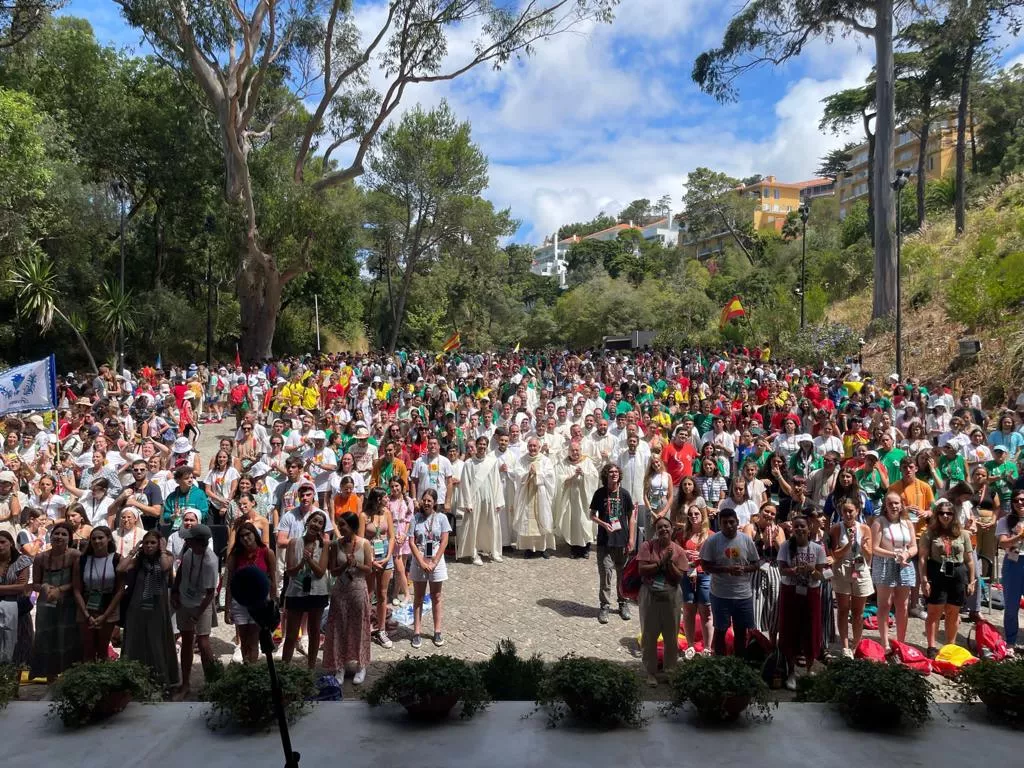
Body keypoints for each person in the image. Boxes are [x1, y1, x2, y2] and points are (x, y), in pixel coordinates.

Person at [118, 530, 179, 687]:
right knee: (135, 639)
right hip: (137, 606)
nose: (149, 546)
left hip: (157, 606)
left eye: (153, 542)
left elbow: (165, 566)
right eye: (146, 543)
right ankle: (133, 676)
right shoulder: (138, 560)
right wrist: (133, 551)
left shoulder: (167, 556)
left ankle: (159, 678)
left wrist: (163, 550)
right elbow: (120, 569)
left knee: (156, 640)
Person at [776, 514, 829, 689]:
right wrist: (795, 570)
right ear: (792, 528)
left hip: (811, 593)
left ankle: (808, 668)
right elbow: (782, 571)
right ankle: (790, 671)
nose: (799, 529)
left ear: (809, 528)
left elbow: (820, 575)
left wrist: (811, 570)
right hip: (790, 592)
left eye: (802, 526)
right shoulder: (785, 547)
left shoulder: (818, 548)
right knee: (790, 629)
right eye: (796, 526)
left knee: (811, 629)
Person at [919, 498, 976, 658]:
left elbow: (969, 560)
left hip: (958, 574)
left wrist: (971, 581)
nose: (945, 516)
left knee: (953, 612)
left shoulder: (963, 533)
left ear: (954, 515)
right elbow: (923, 558)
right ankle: (931, 647)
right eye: (942, 513)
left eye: (949, 513)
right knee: (934, 612)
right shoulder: (929, 533)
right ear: (936, 515)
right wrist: (924, 580)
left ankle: (950, 646)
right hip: (937, 572)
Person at [699, 507, 759, 656]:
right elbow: (705, 565)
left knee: (741, 631)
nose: (729, 525)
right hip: (720, 594)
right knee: (720, 631)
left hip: (743, 594)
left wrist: (744, 569)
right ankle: (720, 664)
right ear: (719, 524)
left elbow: (756, 564)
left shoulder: (746, 540)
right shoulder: (712, 541)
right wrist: (726, 569)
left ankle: (739, 665)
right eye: (724, 523)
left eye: (732, 522)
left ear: (737, 522)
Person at [636, 516, 689, 686]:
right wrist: (660, 564)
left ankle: (670, 671)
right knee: (649, 635)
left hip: (671, 597)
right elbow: (642, 570)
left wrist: (669, 563)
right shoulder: (647, 546)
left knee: (671, 636)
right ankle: (650, 673)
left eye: (666, 526)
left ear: (672, 529)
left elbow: (679, 577)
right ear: (656, 531)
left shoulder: (679, 551)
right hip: (649, 596)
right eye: (660, 528)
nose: (663, 530)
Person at [323, 510, 372, 683]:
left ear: (352, 526)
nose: (340, 527)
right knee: (339, 628)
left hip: (358, 589)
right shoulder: (336, 545)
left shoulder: (365, 543)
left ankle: (361, 665)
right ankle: (340, 666)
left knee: (359, 627)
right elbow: (332, 570)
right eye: (339, 524)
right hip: (341, 590)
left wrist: (356, 564)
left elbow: (369, 568)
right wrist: (344, 566)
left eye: (343, 524)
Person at [170, 523, 218, 700]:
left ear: (199, 542)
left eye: (190, 539)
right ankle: (186, 684)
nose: (186, 542)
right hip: (184, 600)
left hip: (201, 603)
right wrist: (175, 591)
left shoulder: (210, 561)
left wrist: (198, 614)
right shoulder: (189, 552)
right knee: (187, 640)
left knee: (204, 642)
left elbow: (210, 593)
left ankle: (213, 683)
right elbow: (182, 570)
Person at [29, 522, 80, 681]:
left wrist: (61, 590)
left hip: (68, 604)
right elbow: (35, 584)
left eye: (64, 534)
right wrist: (44, 587)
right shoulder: (40, 557)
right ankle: (51, 680)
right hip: (46, 605)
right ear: (50, 536)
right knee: (47, 639)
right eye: (56, 533)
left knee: (68, 638)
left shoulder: (75, 555)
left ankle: (69, 680)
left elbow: (78, 582)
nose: (59, 537)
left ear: (69, 538)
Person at [223, 520, 277, 664]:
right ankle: (246, 667)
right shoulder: (235, 556)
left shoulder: (267, 552)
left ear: (255, 534)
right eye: (241, 536)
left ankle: (251, 669)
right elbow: (229, 584)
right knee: (243, 639)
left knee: (254, 639)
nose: (245, 539)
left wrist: (274, 602)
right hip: (239, 602)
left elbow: (273, 579)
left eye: (248, 534)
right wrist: (227, 608)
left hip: (259, 602)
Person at [282, 510, 329, 669]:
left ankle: (311, 667)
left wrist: (309, 561)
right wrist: (302, 563)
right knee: (291, 633)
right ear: (308, 522)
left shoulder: (324, 545)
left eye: (320, 523)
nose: (316, 524)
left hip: (317, 592)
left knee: (315, 630)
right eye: (314, 521)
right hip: (296, 592)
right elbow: (290, 571)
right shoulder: (294, 543)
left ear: (322, 528)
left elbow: (321, 572)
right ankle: (284, 667)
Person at [590, 464, 636, 624]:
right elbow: (592, 515)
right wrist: (604, 524)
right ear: (606, 475)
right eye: (611, 472)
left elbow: (631, 518)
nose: (614, 474)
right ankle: (604, 606)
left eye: (616, 472)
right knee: (606, 575)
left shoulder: (624, 494)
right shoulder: (600, 493)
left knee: (622, 576)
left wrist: (631, 539)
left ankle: (623, 603)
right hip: (604, 542)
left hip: (622, 541)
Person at [870, 493, 918, 649]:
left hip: (904, 564)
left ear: (902, 505)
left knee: (903, 605)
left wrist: (906, 554)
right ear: (885, 505)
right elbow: (874, 548)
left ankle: (901, 642)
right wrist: (894, 554)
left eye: (896, 503)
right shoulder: (879, 522)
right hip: (885, 563)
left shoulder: (907, 523)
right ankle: (884, 642)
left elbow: (914, 546)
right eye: (890, 503)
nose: (894, 506)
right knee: (885, 604)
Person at [407, 489, 451, 648]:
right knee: (418, 597)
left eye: (429, 501)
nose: (426, 503)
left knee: (436, 595)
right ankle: (417, 631)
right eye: (424, 500)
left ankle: (437, 630)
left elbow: (444, 541)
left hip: (436, 562)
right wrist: (421, 562)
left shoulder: (442, 518)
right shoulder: (415, 519)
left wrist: (434, 561)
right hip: (419, 560)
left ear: (434, 502)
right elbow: (411, 542)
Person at [830, 499, 874, 657]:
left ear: (857, 511)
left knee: (858, 611)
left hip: (860, 569)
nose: (848, 514)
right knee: (843, 609)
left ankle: (856, 644)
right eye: (845, 511)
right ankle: (845, 645)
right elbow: (835, 554)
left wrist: (862, 546)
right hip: (842, 569)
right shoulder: (836, 529)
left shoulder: (865, 528)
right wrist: (849, 543)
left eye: (851, 511)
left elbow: (869, 555)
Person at [72, 525, 123, 662]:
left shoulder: (117, 559)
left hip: (108, 605)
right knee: (88, 650)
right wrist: (86, 615)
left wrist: (105, 615)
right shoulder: (82, 560)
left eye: (101, 538)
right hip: (86, 605)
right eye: (93, 538)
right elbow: (77, 589)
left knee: (103, 650)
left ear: (109, 539)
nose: (97, 541)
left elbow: (120, 590)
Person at [453, 436, 503, 565]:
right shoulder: (469, 463)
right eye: (480, 444)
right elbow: (465, 484)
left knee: (491, 525)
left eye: (484, 444)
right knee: (474, 526)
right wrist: (467, 503)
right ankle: (474, 553)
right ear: (476, 446)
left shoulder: (492, 462)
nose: (482, 447)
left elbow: (497, 482)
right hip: (474, 499)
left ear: (487, 446)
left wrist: (498, 501)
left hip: (489, 498)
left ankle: (493, 551)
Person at [743, 501, 785, 638]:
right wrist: (763, 543)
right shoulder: (750, 528)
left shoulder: (779, 530)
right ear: (760, 512)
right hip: (756, 570)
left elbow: (784, 555)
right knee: (755, 606)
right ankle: (753, 642)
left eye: (772, 513)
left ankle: (773, 646)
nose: (769, 515)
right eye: (766, 511)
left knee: (774, 607)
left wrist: (776, 542)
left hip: (774, 569)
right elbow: (747, 553)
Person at [512, 437, 557, 559]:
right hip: (526, 495)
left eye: (534, 446)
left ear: (539, 447)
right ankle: (529, 548)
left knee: (542, 519)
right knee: (527, 520)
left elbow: (550, 475)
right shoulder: (522, 460)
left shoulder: (545, 460)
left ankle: (543, 548)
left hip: (540, 494)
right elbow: (517, 474)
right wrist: (528, 474)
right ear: (527, 447)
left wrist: (537, 473)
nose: (532, 448)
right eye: (530, 446)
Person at [677, 504, 713, 653]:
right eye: (690, 514)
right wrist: (683, 553)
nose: (693, 517)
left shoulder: (711, 535)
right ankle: (690, 645)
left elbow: (717, 557)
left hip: (705, 575)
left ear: (703, 515)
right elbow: (676, 554)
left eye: (696, 514)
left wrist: (703, 556)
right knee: (688, 610)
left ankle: (707, 647)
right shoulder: (683, 534)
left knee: (706, 611)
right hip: (687, 575)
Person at [362, 488, 395, 648]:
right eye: (385, 497)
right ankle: (365, 627)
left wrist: (389, 556)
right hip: (370, 556)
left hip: (385, 556)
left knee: (382, 594)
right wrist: (371, 559)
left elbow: (392, 536)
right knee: (368, 594)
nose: (387, 499)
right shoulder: (364, 516)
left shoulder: (387, 513)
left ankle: (381, 629)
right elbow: (361, 540)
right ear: (377, 499)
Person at [556, 441, 600, 558]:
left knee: (585, 522)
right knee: (573, 523)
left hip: (585, 498)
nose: (575, 452)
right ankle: (574, 549)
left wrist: (584, 474)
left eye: (577, 450)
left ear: (581, 450)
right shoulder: (564, 463)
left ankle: (586, 548)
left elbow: (595, 477)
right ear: (569, 451)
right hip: (571, 499)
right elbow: (559, 478)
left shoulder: (587, 462)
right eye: (572, 450)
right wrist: (572, 477)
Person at [0, 531, 33, 665]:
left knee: (18, 648)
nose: (0, 546)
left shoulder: (22, 560)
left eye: (3, 542)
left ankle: (14, 684)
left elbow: (21, 587)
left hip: (17, 610)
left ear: (11, 544)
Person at [996, 492, 1024, 649]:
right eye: (1016, 500)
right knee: (1012, 606)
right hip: (1013, 563)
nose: (1019, 503)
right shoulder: (1005, 521)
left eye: (1023, 500)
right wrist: (1019, 537)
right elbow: (1003, 543)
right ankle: (1011, 641)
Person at [387, 477, 414, 605]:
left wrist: (404, 535)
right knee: (399, 567)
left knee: (401, 568)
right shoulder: (388, 501)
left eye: (397, 485)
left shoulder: (408, 501)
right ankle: (407, 594)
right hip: (393, 534)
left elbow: (409, 519)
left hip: (404, 534)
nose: (394, 489)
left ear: (402, 486)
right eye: (392, 486)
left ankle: (395, 594)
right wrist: (395, 535)